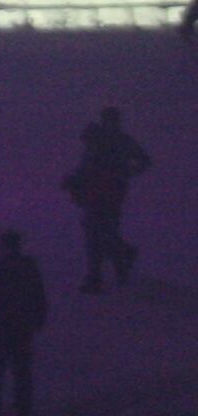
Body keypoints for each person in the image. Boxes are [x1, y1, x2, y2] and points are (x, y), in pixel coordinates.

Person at [66, 106, 149, 293]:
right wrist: (76, 180)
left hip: (108, 192)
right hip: (99, 192)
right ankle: (109, 270)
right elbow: (86, 165)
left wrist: (126, 173)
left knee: (100, 232)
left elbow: (143, 161)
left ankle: (108, 269)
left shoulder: (119, 142)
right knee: (99, 232)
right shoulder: (104, 140)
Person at [0, 230, 44, 416]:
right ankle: (23, 408)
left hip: (0, 326)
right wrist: (38, 320)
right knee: (21, 370)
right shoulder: (29, 265)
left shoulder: (1, 267)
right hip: (23, 326)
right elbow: (39, 295)